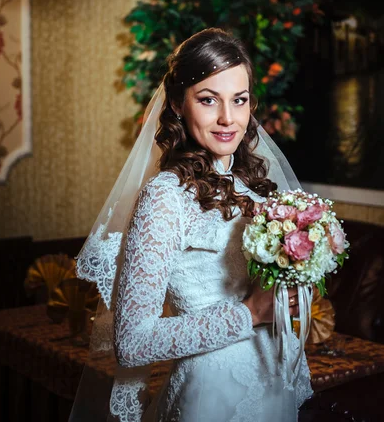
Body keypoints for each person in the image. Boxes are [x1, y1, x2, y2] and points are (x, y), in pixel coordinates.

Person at [71, 28, 313, 422]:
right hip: (211, 395)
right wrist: (249, 313)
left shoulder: (253, 186)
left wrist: (292, 291)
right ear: (179, 106)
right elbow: (132, 343)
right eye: (207, 100)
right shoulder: (165, 197)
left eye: (239, 100)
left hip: (271, 384)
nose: (227, 118)